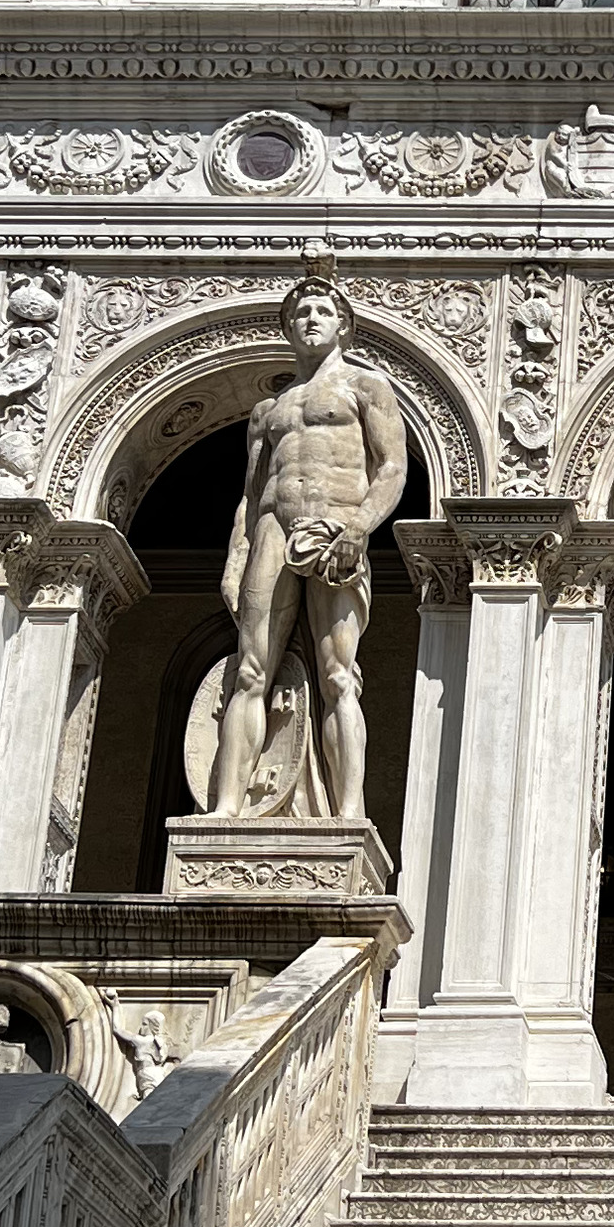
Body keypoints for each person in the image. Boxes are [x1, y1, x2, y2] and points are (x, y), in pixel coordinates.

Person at [208, 267, 409, 821]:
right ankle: (228, 805)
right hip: (273, 529)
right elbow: (251, 495)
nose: (310, 320)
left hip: (336, 526)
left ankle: (348, 813)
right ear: (288, 328)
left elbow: (392, 467)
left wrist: (360, 529)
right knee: (250, 670)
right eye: (299, 313)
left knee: (338, 674)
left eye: (321, 311)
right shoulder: (267, 411)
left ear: (344, 325)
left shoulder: (367, 387)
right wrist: (235, 560)